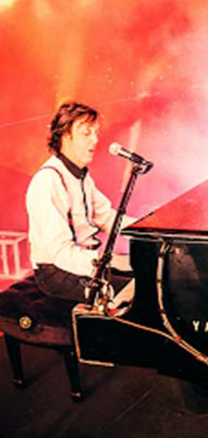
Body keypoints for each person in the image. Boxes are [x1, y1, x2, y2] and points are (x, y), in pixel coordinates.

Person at [26, 101, 134, 306]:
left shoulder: (82, 176)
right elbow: (60, 253)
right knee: (133, 293)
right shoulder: (49, 180)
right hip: (57, 272)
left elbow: (108, 218)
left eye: (96, 132)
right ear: (66, 136)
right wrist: (110, 261)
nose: (95, 140)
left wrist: (154, 229)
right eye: (86, 133)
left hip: (83, 262)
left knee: (148, 279)